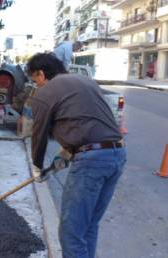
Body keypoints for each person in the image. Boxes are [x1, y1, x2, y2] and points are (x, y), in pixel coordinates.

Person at [26, 53, 126, 258]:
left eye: (35, 81)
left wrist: (37, 166)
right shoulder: (86, 81)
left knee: (71, 232)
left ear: (42, 74)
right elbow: (86, 120)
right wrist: (66, 153)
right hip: (116, 153)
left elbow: (39, 133)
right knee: (88, 226)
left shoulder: (45, 93)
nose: (36, 85)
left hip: (92, 161)